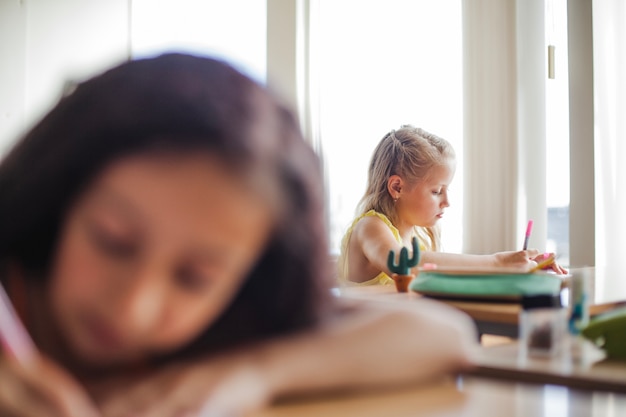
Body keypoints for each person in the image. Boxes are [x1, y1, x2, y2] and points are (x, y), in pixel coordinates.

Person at [0, 53, 477, 417]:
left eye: (196, 276)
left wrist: (253, 372)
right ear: (56, 199)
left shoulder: (230, 322)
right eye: (113, 241)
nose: (133, 306)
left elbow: (443, 335)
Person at [338, 125, 567, 285]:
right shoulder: (370, 227)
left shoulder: (420, 238)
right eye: (437, 191)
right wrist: (498, 262)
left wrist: (522, 269)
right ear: (397, 187)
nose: (447, 202)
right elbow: (401, 263)